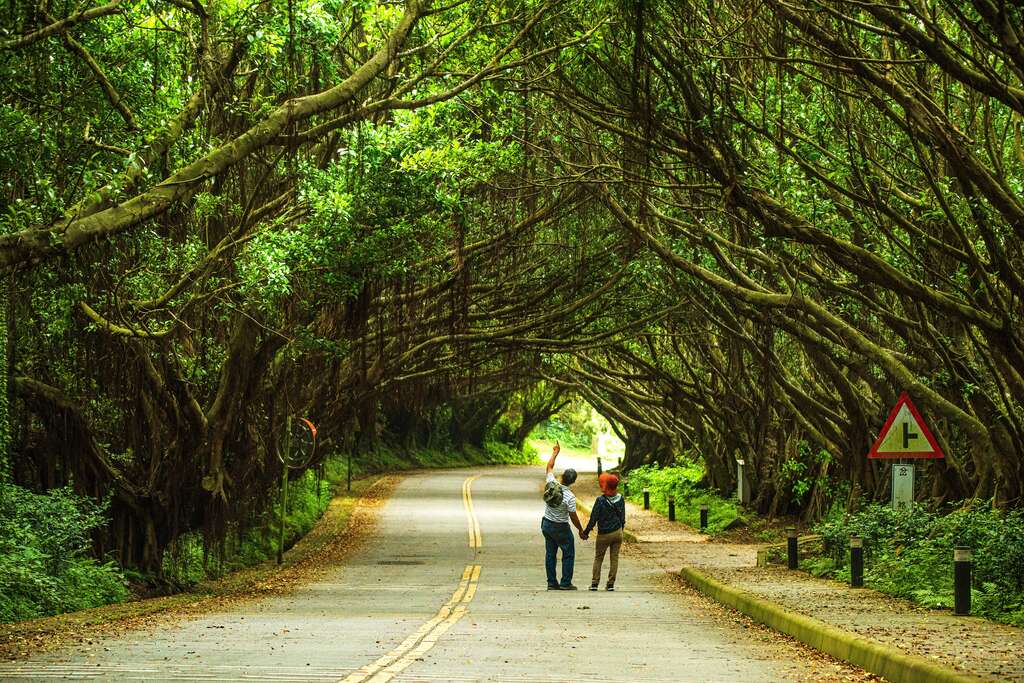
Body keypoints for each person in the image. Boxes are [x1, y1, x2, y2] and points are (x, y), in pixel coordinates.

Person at [541, 441, 583, 590]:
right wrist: (580, 530)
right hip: (561, 528)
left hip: (546, 524)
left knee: (550, 554)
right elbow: (573, 516)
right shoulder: (570, 497)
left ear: (563, 476)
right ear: (573, 482)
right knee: (568, 553)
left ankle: (552, 583)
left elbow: (549, 467)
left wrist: (555, 452)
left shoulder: (551, 483)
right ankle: (565, 583)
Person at [581, 472, 626, 591]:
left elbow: (593, 518)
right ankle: (610, 584)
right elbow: (622, 517)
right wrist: (621, 530)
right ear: (616, 486)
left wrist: (585, 532)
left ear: (606, 485)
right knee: (614, 558)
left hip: (604, 534)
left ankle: (595, 583)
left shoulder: (600, 500)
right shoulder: (621, 499)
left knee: (598, 558)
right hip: (617, 533)